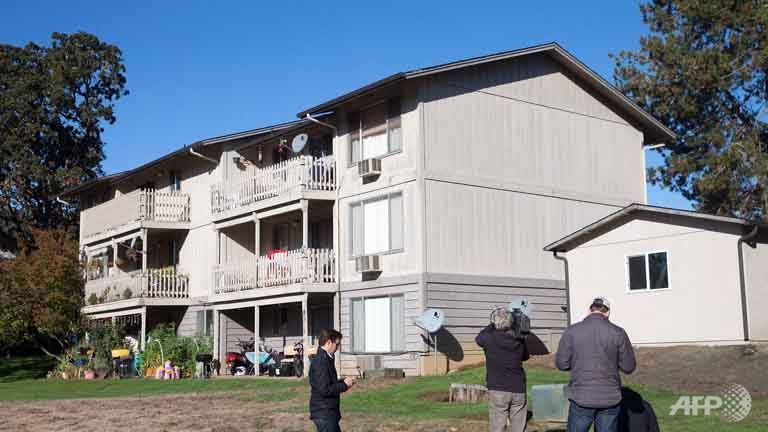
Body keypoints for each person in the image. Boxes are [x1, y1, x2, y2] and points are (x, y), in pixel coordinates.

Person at [556, 297, 636, 432]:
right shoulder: (618, 332)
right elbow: (628, 367)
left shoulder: (572, 331)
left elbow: (562, 364)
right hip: (610, 397)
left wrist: (577, 365)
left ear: (590, 310)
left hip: (581, 396)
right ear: (608, 312)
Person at [475, 307, 530, 432]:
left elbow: (478, 338)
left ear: (494, 322)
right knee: (519, 428)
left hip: (498, 388)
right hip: (518, 388)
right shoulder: (518, 339)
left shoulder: (489, 339)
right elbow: (525, 356)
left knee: (497, 427)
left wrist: (491, 325)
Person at [309, 328, 355, 432]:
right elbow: (325, 389)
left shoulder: (326, 358)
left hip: (327, 412)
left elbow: (327, 382)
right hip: (324, 413)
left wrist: (342, 381)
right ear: (329, 342)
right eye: (337, 344)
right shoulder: (321, 361)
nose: (338, 348)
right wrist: (345, 385)